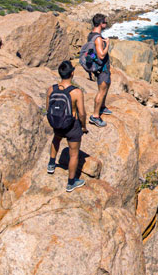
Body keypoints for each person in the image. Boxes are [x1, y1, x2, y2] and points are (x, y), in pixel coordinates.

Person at [46, 61, 88, 192]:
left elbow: (48, 108)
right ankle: (71, 182)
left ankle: (51, 164)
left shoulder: (52, 89)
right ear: (72, 73)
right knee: (74, 154)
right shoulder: (76, 92)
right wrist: (83, 126)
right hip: (71, 125)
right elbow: (82, 113)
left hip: (57, 122)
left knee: (56, 139)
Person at [88, 13, 112, 128]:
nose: (106, 24)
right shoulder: (97, 38)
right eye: (105, 22)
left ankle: (102, 106)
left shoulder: (91, 34)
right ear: (101, 23)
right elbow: (101, 55)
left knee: (106, 86)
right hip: (102, 69)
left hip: (101, 67)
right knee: (101, 91)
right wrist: (107, 44)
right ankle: (95, 116)